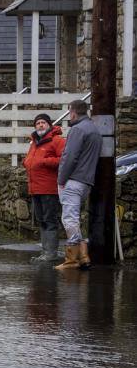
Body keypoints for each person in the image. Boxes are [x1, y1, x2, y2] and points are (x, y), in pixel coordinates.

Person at [55, 99, 101, 270]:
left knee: (69, 218)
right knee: (73, 217)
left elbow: (69, 157)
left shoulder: (77, 129)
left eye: (69, 113)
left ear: (73, 112)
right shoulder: (94, 130)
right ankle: (83, 257)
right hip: (86, 181)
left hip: (73, 180)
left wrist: (61, 180)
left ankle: (72, 259)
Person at [22, 113, 65, 262]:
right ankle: (45, 252)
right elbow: (30, 159)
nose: (40, 125)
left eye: (43, 123)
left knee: (50, 220)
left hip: (49, 189)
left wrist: (46, 161)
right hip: (35, 188)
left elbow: (64, 159)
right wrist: (27, 162)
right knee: (41, 220)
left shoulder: (57, 141)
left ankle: (51, 254)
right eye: (38, 123)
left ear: (49, 125)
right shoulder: (34, 142)